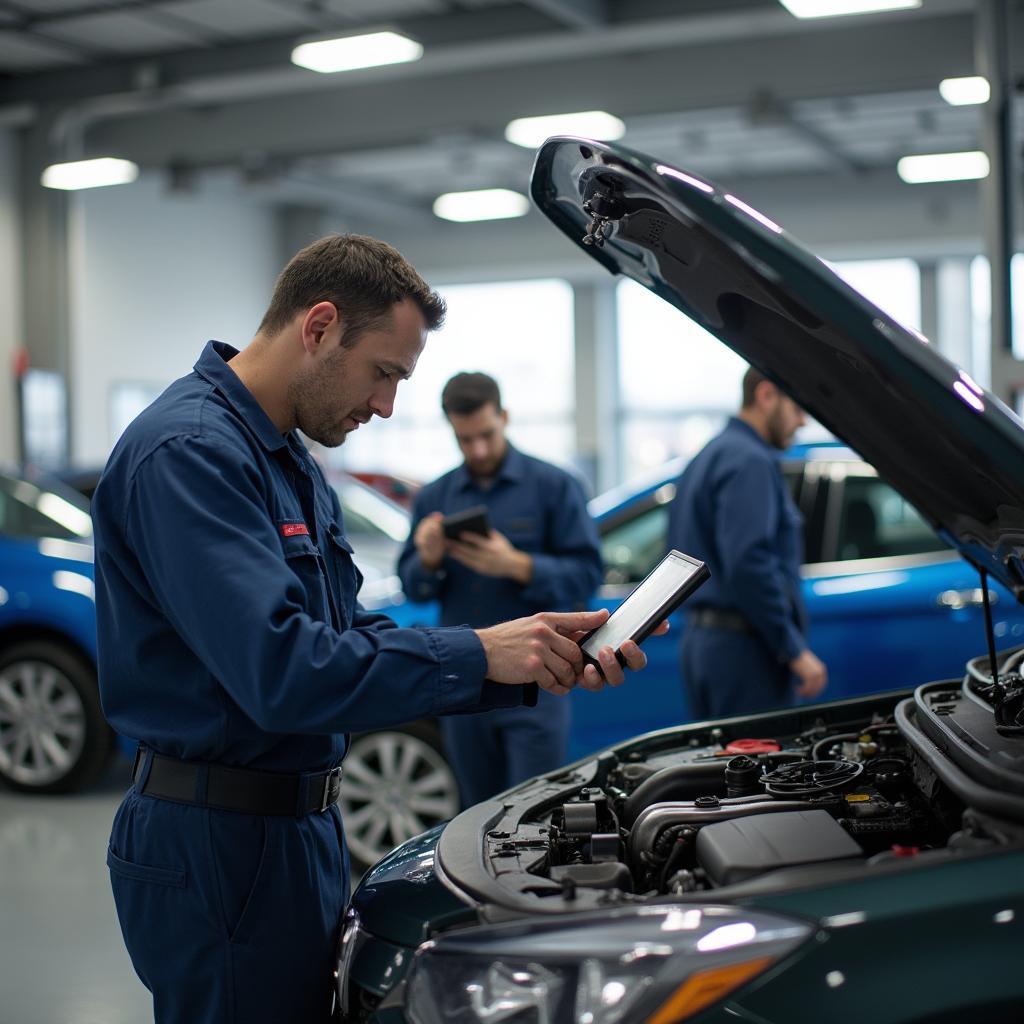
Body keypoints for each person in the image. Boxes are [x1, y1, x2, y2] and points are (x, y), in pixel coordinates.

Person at [92, 234, 653, 1024]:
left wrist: (517, 658)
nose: (386, 405)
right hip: (218, 839)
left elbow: (343, 630)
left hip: (295, 828)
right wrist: (478, 651)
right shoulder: (190, 455)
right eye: (383, 373)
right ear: (318, 326)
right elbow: (284, 669)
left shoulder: (285, 460)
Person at [397, 372, 603, 806]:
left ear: (504, 416)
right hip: (465, 685)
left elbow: (586, 575)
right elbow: (412, 585)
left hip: (536, 684)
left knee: (533, 815)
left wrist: (519, 565)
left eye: (486, 435)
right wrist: (429, 559)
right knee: (475, 817)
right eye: (465, 439)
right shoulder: (435, 497)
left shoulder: (554, 487)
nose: (479, 450)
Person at [667, 366, 828, 720]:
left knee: (719, 771)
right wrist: (792, 649)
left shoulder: (708, 455)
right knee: (758, 771)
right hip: (745, 652)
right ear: (767, 395)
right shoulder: (749, 460)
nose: (802, 422)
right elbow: (748, 561)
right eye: (797, 409)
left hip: (704, 645)